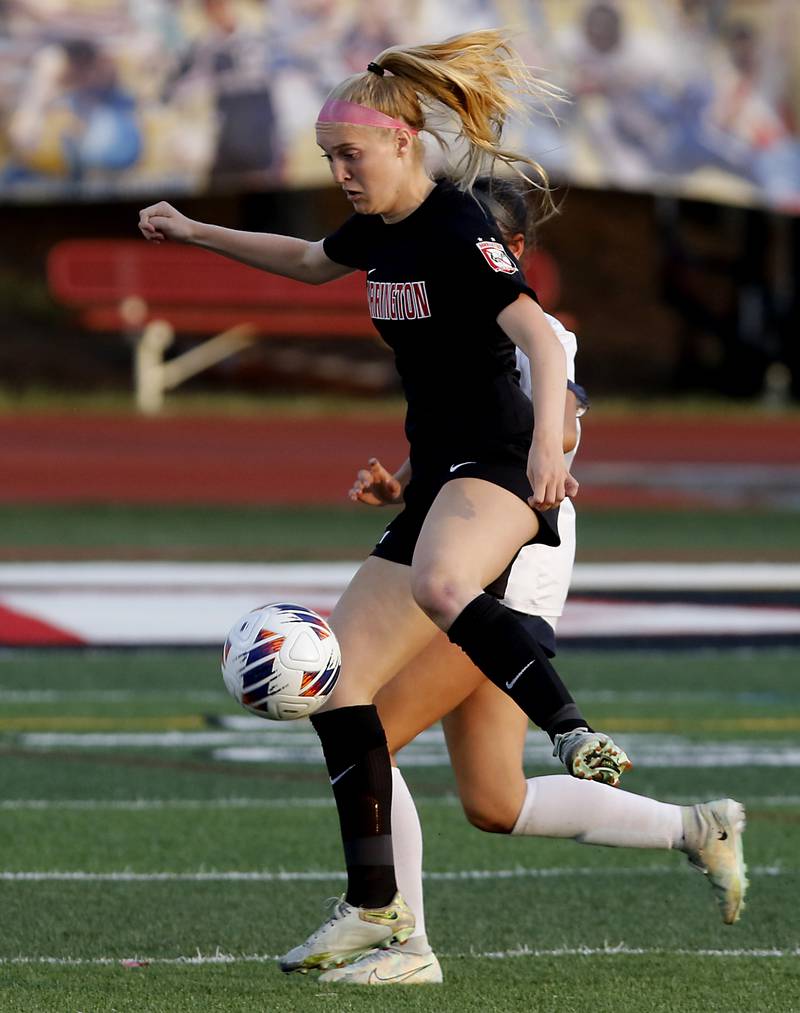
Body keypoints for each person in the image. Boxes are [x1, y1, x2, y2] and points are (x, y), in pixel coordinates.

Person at [138, 29, 745, 976]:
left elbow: (544, 346)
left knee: (440, 588)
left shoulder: (461, 228)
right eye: (329, 155)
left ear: (408, 141)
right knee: (363, 702)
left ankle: (571, 729)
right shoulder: (381, 231)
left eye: (352, 153)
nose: (338, 170)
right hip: (448, 478)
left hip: (499, 480)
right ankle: (380, 911)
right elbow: (306, 261)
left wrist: (550, 445)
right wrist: (193, 230)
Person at [314, 178, 748, 986]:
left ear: (508, 253)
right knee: (494, 798)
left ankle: (400, 943)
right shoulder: (462, 311)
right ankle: (696, 827)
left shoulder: (532, 326)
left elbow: (553, 404)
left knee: (366, 724)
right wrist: (404, 481)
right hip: (501, 576)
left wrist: (560, 434)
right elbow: (470, 428)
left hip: (505, 585)